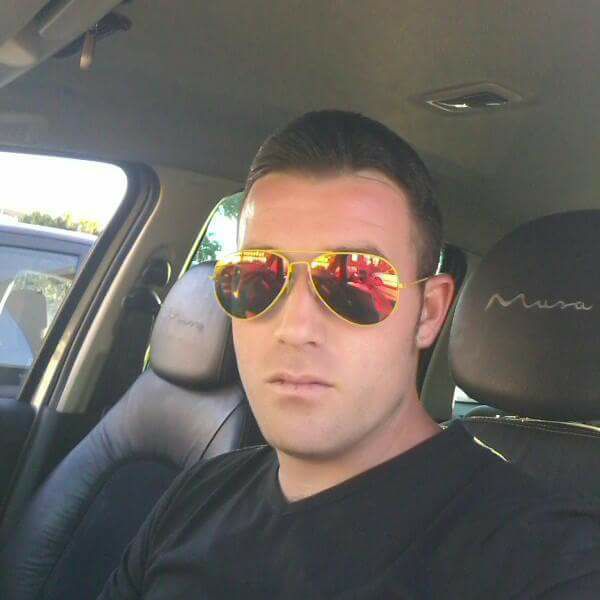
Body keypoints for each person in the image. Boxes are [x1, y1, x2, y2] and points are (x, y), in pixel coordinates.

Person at [99, 110, 600, 599]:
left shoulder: (546, 563)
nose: (295, 328)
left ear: (428, 313)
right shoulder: (196, 495)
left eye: (355, 281)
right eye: (258, 276)